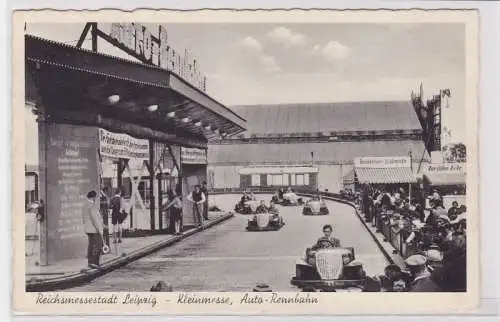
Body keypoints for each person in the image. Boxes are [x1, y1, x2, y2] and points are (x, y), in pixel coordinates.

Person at [83, 190, 106, 268]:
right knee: (97, 245)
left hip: (88, 229)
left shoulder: (85, 205)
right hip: (95, 230)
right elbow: (95, 219)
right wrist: (100, 229)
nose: (96, 199)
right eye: (96, 197)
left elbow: (85, 219)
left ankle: (90, 262)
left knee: (91, 245)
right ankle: (95, 263)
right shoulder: (92, 206)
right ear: (93, 197)